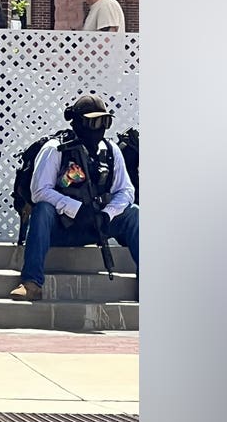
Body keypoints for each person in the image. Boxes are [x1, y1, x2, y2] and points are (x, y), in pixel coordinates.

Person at [10, 94, 139, 301]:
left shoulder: (111, 151)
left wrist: (107, 214)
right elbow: (39, 191)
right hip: (62, 227)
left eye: (105, 121)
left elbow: (126, 191)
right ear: (78, 122)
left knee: (134, 214)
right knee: (43, 209)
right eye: (93, 122)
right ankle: (31, 283)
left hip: (96, 226)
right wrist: (75, 208)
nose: (99, 128)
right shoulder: (55, 149)